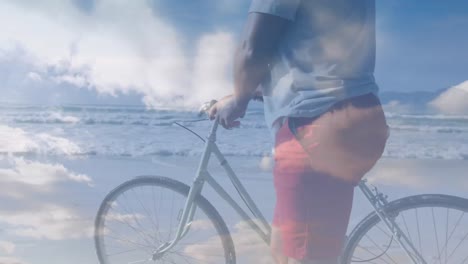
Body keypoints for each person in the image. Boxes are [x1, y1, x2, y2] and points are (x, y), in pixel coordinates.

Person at [208, 0, 389, 263]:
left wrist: (239, 101)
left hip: (315, 124)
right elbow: (319, 61)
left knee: (300, 256)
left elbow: (251, 50)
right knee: (299, 249)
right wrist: (249, 93)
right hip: (362, 114)